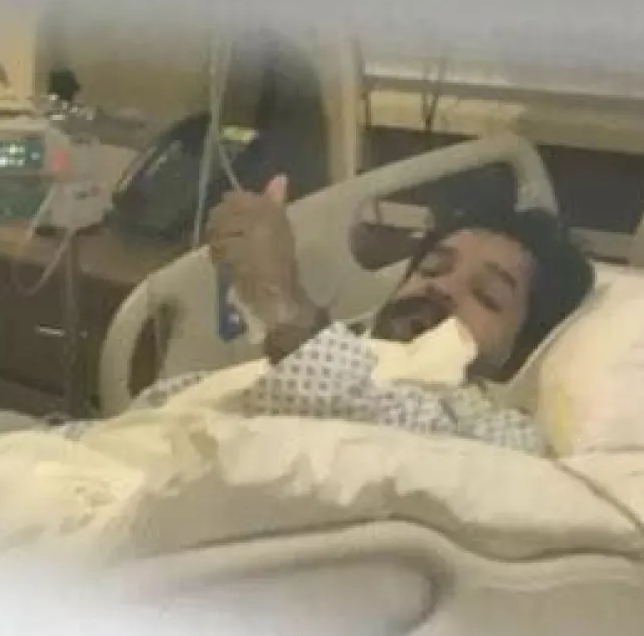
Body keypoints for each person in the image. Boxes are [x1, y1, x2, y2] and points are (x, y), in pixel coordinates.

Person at [126, 175, 595, 457]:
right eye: (432, 268)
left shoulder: (499, 436)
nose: (442, 287)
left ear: (520, 354)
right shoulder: (313, 360)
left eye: (487, 296)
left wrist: (283, 304)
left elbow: (397, 445)